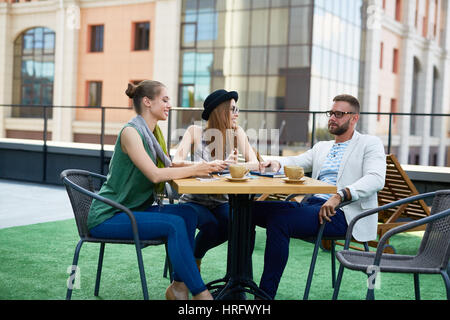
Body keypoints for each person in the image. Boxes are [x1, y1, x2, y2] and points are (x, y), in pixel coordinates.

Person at [87, 80, 227, 300]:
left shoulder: (154, 133)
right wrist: (196, 168)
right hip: (109, 215)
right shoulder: (131, 133)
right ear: (147, 102)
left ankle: (179, 287)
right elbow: (155, 174)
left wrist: (204, 167)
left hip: (133, 210)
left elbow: (169, 166)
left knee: (188, 212)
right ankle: (202, 295)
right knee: (174, 224)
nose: (169, 104)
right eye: (165, 100)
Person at [252, 94, 386, 299]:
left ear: (354, 118)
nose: (332, 117)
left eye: (339, 114)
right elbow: (297, 160)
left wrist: (340, 195)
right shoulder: (322, 147)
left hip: (344, 214)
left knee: (280, 221)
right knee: (247, 210)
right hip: (312, 205)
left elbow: (376, 179)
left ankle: (264, 297)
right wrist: (277, 164)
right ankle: (239, 280)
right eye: (331, 113)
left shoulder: (369, 143)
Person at [172, 89, 259, 271]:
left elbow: (254, 163)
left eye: (237, 109)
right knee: (211, 226)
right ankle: (194, 260)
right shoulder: (195, 131)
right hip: (194, 200)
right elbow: (176, 162)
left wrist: (235, 166)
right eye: (233, 109)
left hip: (221, 200)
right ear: (220, 110)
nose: (237, 113)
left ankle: (238, 279)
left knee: (237, 224)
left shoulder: (237, 132)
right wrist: (205, 166)